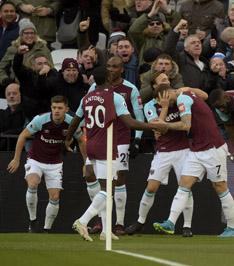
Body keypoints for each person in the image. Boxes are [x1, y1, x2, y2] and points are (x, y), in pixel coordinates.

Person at [66, 67, 167, 241]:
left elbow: (75, 120)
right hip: (106, 146)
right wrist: (153, 126)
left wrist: (68, 138)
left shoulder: (87, 97)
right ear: (108, 78)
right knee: (108, 189)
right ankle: (82, 221)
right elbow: (130, 122)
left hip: (90, 145)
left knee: (105, 189)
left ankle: (106, 230)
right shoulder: (114, 97)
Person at [152, 84, 234, 238]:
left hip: (213, 147)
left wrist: (164, 125)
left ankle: (232, 228)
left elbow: (185, 125)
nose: (164, 104)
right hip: (197, 148)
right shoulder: (186, 94)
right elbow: (204, 96)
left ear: (168, 94)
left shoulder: (183, 98)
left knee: (219, 186)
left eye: (164, 100)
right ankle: (171, 223)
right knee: (184, 183)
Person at [125, 86, 208, 237]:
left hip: (182, 150)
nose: (169, 98)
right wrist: (164, 107)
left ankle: (187, 226)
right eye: (165, 97)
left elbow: (204, 96)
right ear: (158, 99)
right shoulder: (151, 107)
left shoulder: (179, 101)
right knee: (151, 187)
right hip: (163, 152)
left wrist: (188, 88)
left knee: (186, 188)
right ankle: (140, 222)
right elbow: (158, 130)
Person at [7, 95, 87, 233]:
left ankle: (46, 229)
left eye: (60, 108)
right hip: (35, 159)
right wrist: (16, 159)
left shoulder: (71, 123)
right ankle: (33, 220)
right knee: (32, 184)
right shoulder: (41, 119)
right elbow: (23, 136)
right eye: (54, 107)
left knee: (55, 196)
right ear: (51, 108)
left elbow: (81, 140)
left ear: (66, 109)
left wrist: (86, 163)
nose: (56, 111)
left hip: (55, 163)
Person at [0, 18, 52, 88]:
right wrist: (5, 79)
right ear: (21, 34)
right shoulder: (12, 49)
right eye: (26, 33)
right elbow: (1, 67)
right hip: (18, 86)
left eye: (32, 33)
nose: (30, 36)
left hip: (37, 86)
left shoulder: (43, 49)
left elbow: (51, 68)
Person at [128, 0, 180, 66]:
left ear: (163, 26)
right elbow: (133, 31)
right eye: (151, 24)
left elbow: (179, 24)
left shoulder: (169, 37)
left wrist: (167, 9)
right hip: (147, 72)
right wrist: (149, 15)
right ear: (147, 27)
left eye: (158, 23)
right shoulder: (143, 39)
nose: (155, 25)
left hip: (167, 70)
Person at [13, 45, 57, 122]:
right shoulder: (27, 75)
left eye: (45, 63)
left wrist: (42, 75)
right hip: (30, 115)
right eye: (40, 64)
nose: (44, 66)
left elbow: (42, 87)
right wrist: (19, 55)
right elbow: (17, 67)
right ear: (33, 67)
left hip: (48, 115)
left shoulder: (53, 74)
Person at [164, 19, 210, 89]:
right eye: (193, 43)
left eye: (199, 42)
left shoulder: (205, 63)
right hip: (186, 97)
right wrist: (176, 29)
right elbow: (169, 49)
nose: (197, 44)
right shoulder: (181, 59)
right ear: (186, 48)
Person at [0, 83, 26, 151]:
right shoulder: (2, 114)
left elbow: (27, 129)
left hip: (22, 151)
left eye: (14, 93)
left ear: (21, 95)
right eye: (8, 94)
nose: (11, 96)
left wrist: (8, 133)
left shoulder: (27, 113)